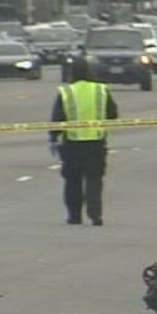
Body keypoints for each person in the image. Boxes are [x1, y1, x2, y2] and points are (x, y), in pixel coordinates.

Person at [48, 57, 118, 226]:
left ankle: (74, 216)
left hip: (72, 144)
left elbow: (58, 119)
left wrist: (53, 139)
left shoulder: (67, 92)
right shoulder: (101, 90)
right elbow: (113, 113)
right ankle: (95, 215)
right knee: (94, 180)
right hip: (96, 142)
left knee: (73, 181)